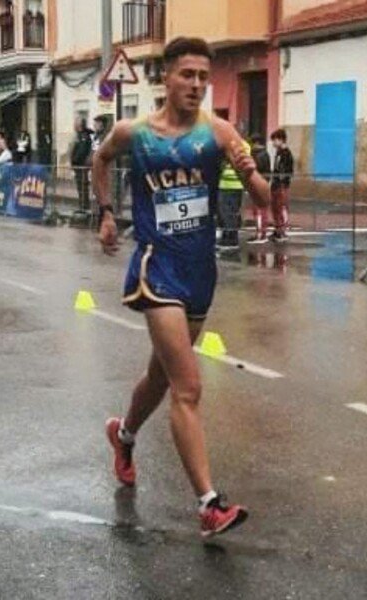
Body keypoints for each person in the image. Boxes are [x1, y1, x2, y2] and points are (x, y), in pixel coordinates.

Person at [92, 37, 271, 537]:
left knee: (162, 376)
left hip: (199, 271)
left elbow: (262, 198)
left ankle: (124, 435)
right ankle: (209, 504)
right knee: (188, 387)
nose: (196, 85)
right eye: (187, 74)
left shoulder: (218, 132)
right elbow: (100, 160)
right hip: (157, 268)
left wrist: (251, 171)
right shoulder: (135, 133)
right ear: (166, 77)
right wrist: (106, 213)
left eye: (203, 77)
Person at [216, 136, 249, 250]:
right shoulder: (244, 146)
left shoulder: (232, 145)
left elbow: (223, 163)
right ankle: (228, 236)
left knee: (227, 212)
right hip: (233, 184)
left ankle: (230, 239)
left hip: (229, 184)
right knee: (230, 212)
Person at [71, 118, 94, 211]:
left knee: (82, 186)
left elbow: (82, 150)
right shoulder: (79, 135)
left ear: (79, 125)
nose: (74, 125)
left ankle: (84, 206)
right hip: (78, 166)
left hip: (81, 165)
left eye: (75, 123)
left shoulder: (84, 136)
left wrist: (75, 160)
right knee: (80, 187)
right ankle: (82, 205)